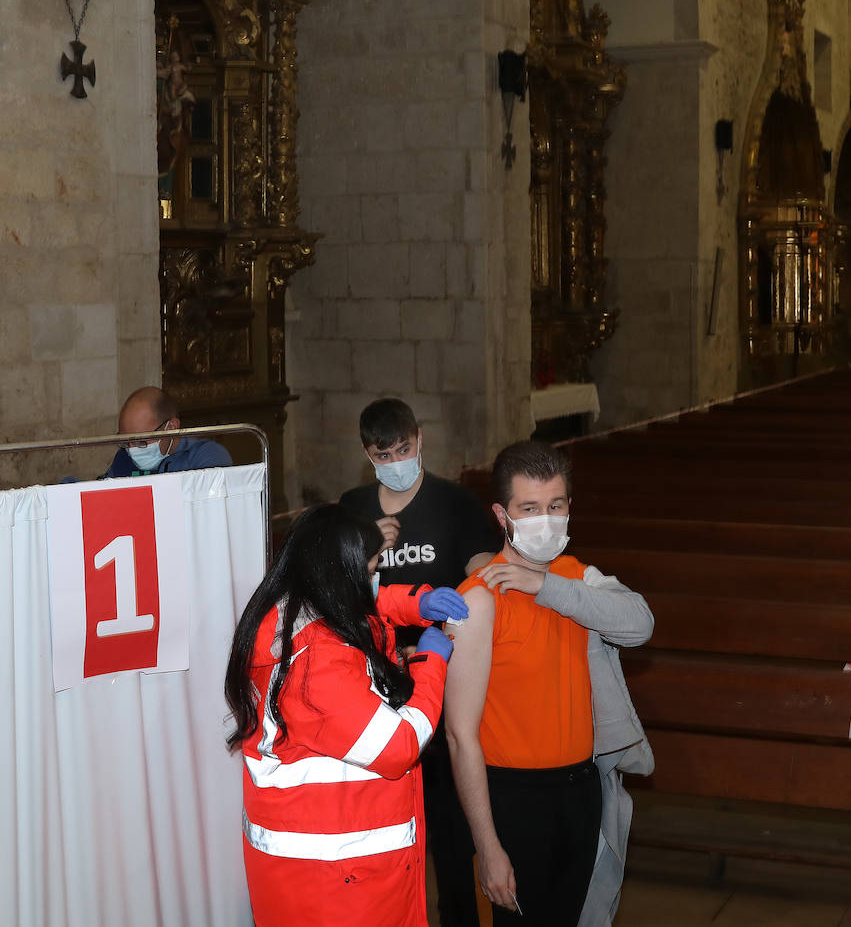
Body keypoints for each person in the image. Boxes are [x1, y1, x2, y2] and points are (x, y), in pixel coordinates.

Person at [223, 504, 469, 926]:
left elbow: (362, 605)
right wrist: (430, 664)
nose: (374, 580)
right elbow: (400, 746)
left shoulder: (289, 610)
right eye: (370, 567)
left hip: (315, 869)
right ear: (341, 572)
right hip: (340, 882)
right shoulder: (319, 663)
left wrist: (415, 602)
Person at [445, 441, 653, 926]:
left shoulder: (575, 578)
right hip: (513, 799)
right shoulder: (478, 602)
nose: (545, 519)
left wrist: (546, 586)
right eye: (530, 509)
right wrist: (487, 845)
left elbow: (639, 624)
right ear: (502, 514)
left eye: (555, 506)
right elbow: (459, 736)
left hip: (580, 791)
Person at [338, 397, 501, 927]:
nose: (396, 460)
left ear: (420, 439)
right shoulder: (355, 506)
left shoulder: (455, 504)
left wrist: (437, 642)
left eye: (403, 449)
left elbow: (482, 587)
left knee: (453, 842)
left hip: (448, 683)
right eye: (384, 453)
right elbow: (338, 596)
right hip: (380, 688)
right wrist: (367, 554)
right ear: (368, 453)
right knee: (388, 839)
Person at [102, 386, 231, 477]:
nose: (132, 449)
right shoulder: (123, 458)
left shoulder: (205, 456)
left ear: (171, 427)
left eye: (141, 441)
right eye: (125, 442)